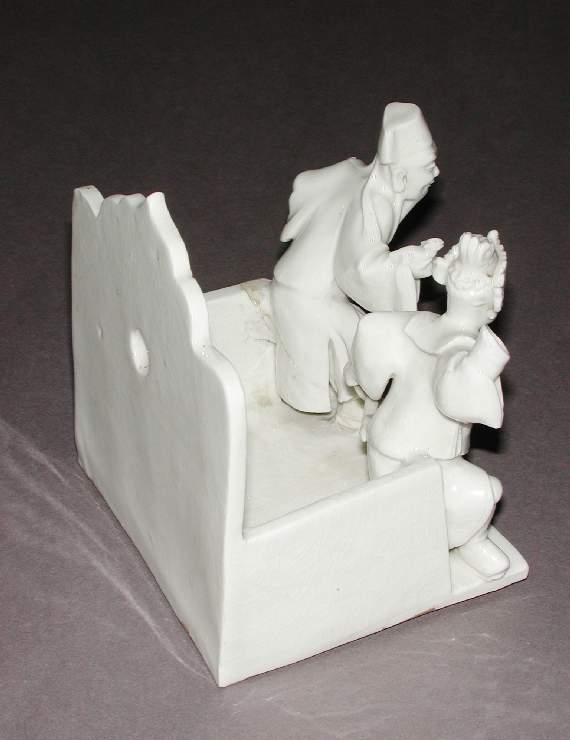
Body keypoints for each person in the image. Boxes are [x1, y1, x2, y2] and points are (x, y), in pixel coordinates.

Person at [347, 231, 511, 580]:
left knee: (469, 495)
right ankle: (454, 543)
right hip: (413, 458)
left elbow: (372, 335)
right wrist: (484, 362)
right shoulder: (458, 347)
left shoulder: (414, 324)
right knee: (480, 493)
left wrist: (371, 406)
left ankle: (458, 542)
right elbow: (452, 395)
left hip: (394, 448)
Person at [271, 102, 442, 419]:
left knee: (316, 372)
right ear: (400, 176)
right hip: (310, 299)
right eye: (428, 166)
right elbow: (359, 269)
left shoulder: (356, 174)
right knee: (362, 357)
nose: (436, 173)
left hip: (291, 284)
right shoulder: (376, 204)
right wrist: (407, 262)